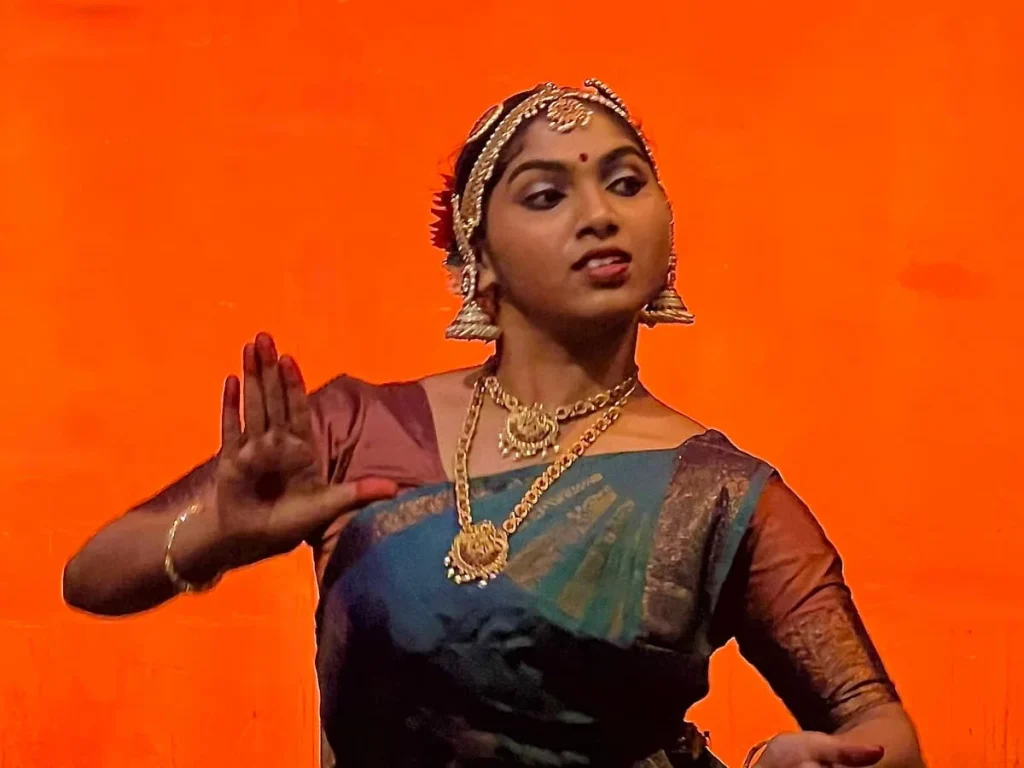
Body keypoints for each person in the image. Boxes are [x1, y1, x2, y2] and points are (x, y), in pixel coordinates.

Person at [63, 80, 925, 768]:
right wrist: (217, 531)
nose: (600, 213)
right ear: (477, 259)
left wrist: (797, 761)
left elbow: (876, 725)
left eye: (626, 182)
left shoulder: (720, 493)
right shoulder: (356, 429)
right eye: (547, 195)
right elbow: (92, 576)